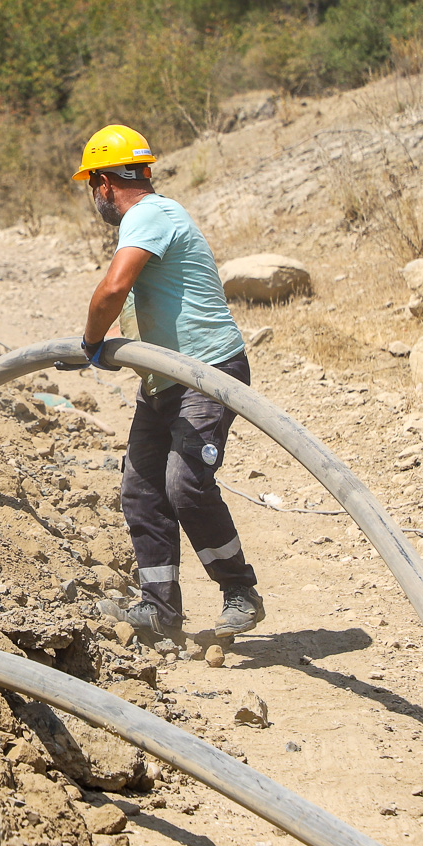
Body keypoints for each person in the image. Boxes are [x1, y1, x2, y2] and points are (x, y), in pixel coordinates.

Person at [74, 124, 265, 646]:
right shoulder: (148, 221)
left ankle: (239, 591)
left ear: (104, 185)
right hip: (164, 378)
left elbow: (112, 290)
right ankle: (160, 612)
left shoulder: (149, 215)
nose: (95, 197)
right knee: (141, 488)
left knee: (185, 483)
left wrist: (91, 341)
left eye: (93, 187)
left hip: (206, 373)